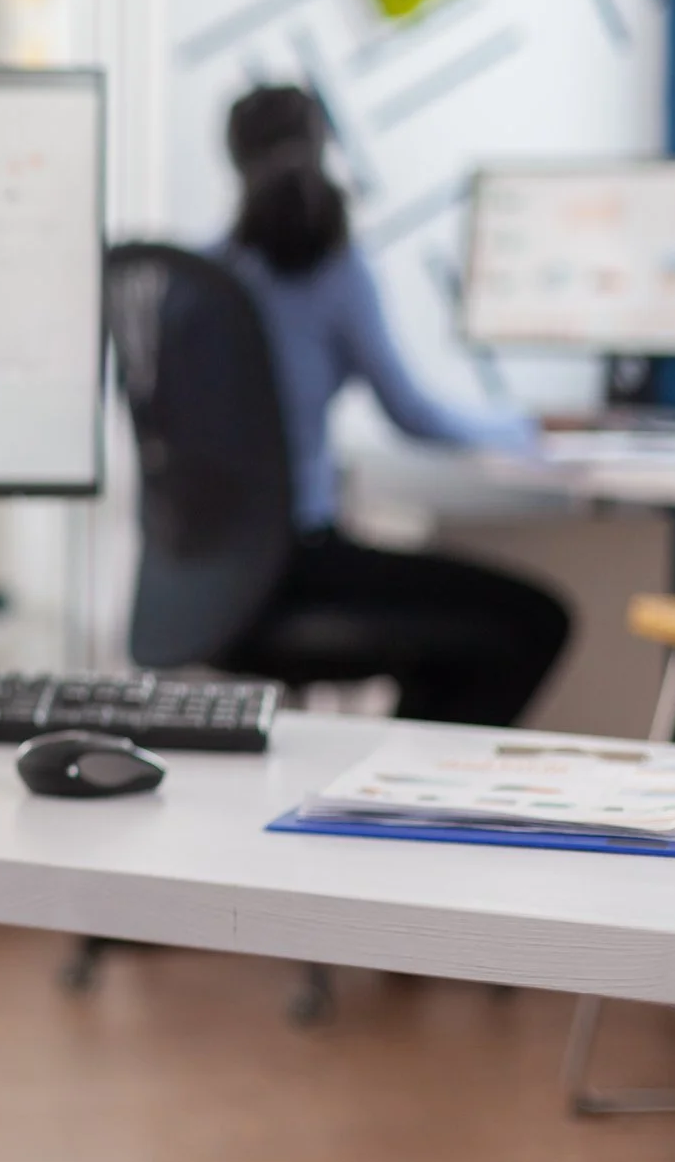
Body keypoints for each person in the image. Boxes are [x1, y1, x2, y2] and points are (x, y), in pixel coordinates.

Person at [211, 84, 570, 725]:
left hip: (210, 585)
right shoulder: (335, 271)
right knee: (536, 621)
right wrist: (525, 427)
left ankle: (395, 784)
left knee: (456, 639)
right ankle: (411, 786)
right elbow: (414, 416)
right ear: (325, 149)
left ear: (233, 159)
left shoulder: (201, 278)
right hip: (300, 565)